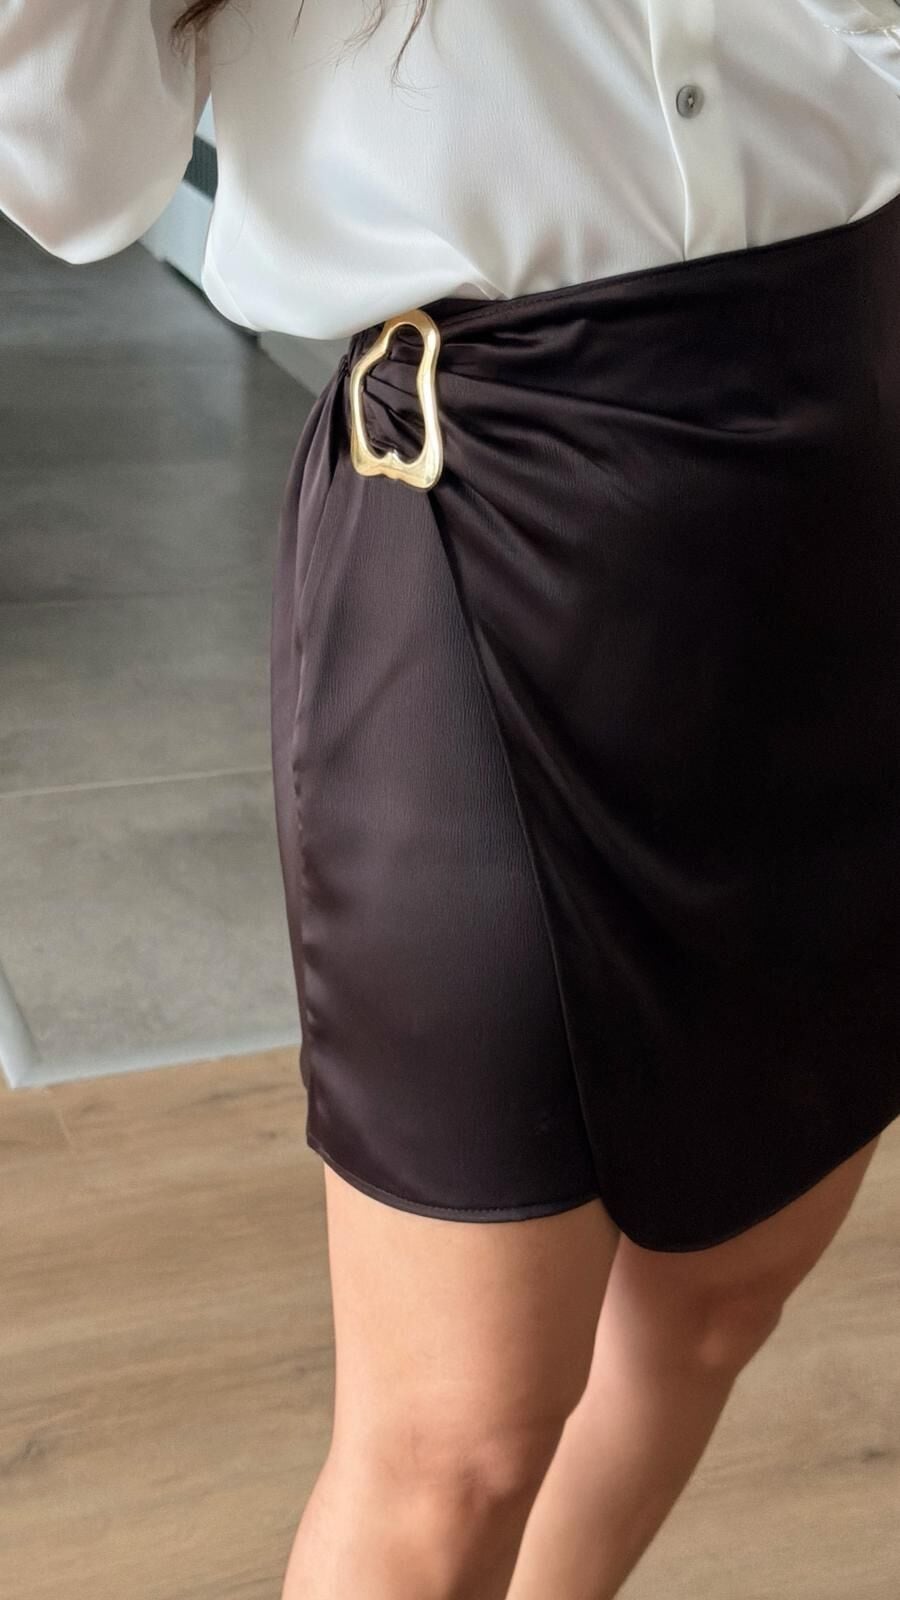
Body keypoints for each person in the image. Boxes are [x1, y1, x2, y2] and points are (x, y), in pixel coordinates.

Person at [3, 4, 899, 1598]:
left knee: (723, 1294)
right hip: (487, 510)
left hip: (845, 448)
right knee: (455, 1439)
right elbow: (79, 180)